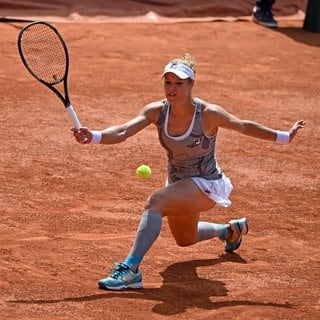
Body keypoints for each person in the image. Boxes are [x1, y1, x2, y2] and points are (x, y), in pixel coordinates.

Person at [72, 53, 305, 291]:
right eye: (168, 82)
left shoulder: (208, 114)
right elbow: (122, 131)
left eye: (179, 83)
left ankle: (130, 270)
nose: (172, 88)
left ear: (191, 84)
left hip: (205, 184)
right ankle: (229, 230)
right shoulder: (156, 112)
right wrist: (95, 137)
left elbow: (243, 125)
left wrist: (284, 136)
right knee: (185, 239)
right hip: (180, 183)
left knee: (156, 202)